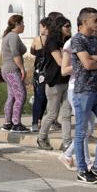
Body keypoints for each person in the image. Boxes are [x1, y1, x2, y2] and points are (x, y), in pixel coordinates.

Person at [71, 7, 97, 184]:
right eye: (95, 20)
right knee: (81, 132)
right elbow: (87, 65)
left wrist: (95, 57)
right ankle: (82, 169)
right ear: (84, 22)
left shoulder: (96, 38)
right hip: (83, 92)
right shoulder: (77, 40)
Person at [59, 21, 95, 171]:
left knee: (89, 128)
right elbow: (64, 70)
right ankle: (86, 161)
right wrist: (83, 64)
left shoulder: (93, 41)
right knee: (84, 127)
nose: (96, 26)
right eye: (94, 22)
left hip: (92, 88)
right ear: (82, 25)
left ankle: (67, 154)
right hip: (76, 89)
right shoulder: (71, 42)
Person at [37, 16, 72, 151]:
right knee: (52, 114)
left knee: (67, 114)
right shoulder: (52, 41)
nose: (69, 28)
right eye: (66, 26)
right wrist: (67, 56)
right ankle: (42, 137)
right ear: (59, 28)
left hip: (67, 80)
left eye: (70, 26)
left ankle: (67, 142)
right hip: (54, 82)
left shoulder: (69, 41)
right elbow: (60, 61)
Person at [0, 15, 29, 133]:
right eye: (22, 23)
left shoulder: (10, 36)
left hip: (8, 70)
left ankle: (7, 123)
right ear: (17, 24)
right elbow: (15, 54)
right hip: (12, 70)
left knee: (12, 96)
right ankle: (16, 123)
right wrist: (22, 68)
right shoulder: (13, 36)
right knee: (21, 95)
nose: (24, 25)